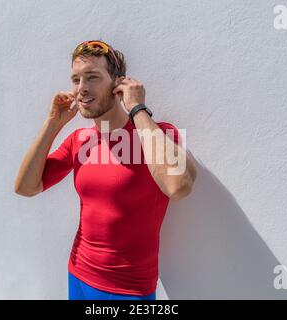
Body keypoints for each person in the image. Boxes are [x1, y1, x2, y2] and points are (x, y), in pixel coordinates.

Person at [14, 40, 197, 300]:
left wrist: (137, 109)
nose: (81, 88)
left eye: (92, 77)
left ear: (118, 84)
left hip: (129, 289)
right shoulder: (80, 140)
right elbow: (25, 187)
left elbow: (178, 187)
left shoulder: (158, 133)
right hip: (78, 273)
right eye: (76, 79)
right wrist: (53, 123)